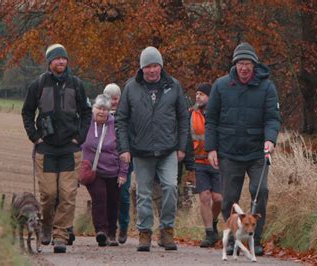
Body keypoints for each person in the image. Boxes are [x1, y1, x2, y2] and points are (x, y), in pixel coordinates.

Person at [205, 42, 281, 256]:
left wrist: (270, 140)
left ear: (254, 65)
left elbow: (272, 119)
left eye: (248, 64)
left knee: (261, 192)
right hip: (229, 152)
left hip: (257, 151)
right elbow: (210, 120)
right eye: (240, 64)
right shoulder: (220, 86)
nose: (244, 68)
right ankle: (232, 239)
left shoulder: (267, 87)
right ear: (235, 65)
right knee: (229, 199)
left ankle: (254, 239)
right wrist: (211, 149)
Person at [115, 46, 189, 252]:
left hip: (168, 149)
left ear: (161, 66)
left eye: (155, 66)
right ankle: (144, 233)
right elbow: (121, 120)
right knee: (143, 193)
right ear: (142, 68)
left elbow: (184, 118)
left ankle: (167, 231)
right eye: (148, 67)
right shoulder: (131, 88)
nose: (152, 70)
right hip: (141, 150)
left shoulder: (173, 86)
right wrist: (124, 148)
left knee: (171, 188)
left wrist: (182, 147)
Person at [21, 44, 92, 253]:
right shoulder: (38, 85)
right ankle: (46, 227)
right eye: (56, 59)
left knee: (68, 194)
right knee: (49, 194)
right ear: (49, 62)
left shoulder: (76, 84)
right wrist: (35, 137)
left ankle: (60, 235)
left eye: (64, 58)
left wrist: (79, 138)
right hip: (46, 149)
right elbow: (26, 112)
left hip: (70, 149)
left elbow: (87, 113)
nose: (61, 62)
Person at [82, 94, 129, 247]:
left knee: (113, 202)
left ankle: (112, 233)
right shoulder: (85, 123)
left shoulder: (115, 126)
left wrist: (123, 173)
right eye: (99, 108)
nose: (101, 112)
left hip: (113, 171)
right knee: (100, 198)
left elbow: (123, 151)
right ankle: (101, 231)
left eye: (105, 109)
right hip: (93, 171)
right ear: (93, 108)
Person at [190, 83, 223, 248]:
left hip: (216, 161)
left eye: (202, 94)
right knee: (204, 197)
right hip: (198, 161)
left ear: (210, 97)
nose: (198, 97)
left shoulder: (219, 113)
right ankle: (209, 233)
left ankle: (214, 221)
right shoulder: (191, 114)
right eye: (197, 94)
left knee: (219, 199)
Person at [103, 83, 131, 244]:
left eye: (116, 99)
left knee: (124, 195)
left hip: (125, 156)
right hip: (107, 160)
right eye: (110, 99)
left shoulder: (126, 113)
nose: (113, 102)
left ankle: (124, 226)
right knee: (108, 196)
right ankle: (107, 228)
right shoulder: (101, 114)